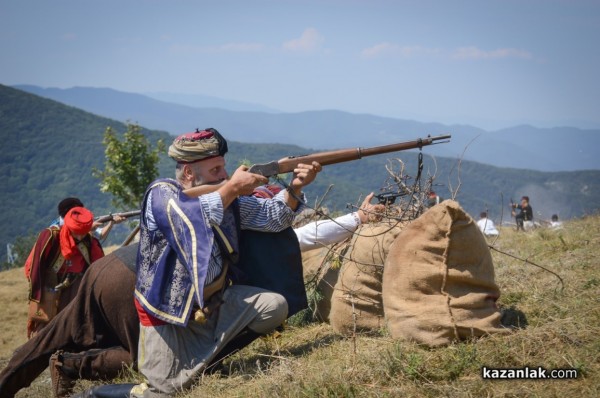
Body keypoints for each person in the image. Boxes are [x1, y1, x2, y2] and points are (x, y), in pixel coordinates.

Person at [0, 191, 384, 398]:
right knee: (144, 361)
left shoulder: (217, 209)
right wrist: (357, 220)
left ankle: (17, 378)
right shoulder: (240, 221)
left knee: (52, 337)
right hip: (132, 280)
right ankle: (70, 367)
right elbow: (305, 236)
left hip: (114, 266)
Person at [132, 127, 320, 397]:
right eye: (215, 170)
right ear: (188, 173)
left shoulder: (228, 196)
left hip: (216, 302)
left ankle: (212, 359)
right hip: (170, 316)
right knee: (165, 391)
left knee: (274, 306)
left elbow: (273, 218)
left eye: (223, 167)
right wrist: (231, 188)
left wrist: (296, 187)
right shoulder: (161, 194)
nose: (224, 175)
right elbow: (186, 223)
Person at [27, 206, 105, 338]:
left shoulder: (89, 240)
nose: (80, 236)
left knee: (76, 323)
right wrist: (37, 296)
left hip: (76, 287)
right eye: (77, 232)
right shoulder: (50, 235)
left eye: (83, 232)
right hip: (49, 288)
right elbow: (34, 265)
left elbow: (98, 265)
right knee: (44, 326)